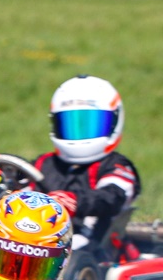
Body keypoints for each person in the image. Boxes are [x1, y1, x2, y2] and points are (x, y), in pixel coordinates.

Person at [30, 75, 141, 255]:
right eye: (70, 125)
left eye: (90, 125)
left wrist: (75, 202)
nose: (79, 135)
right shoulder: (44, 164)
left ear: (114, 123)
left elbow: (112, 197)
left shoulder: (117, 166)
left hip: (92, 250)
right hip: (35, 241)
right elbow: (16, 184)